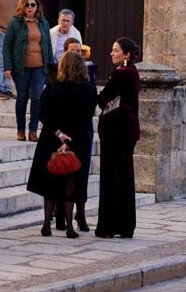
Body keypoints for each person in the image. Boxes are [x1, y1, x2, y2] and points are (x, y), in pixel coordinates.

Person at [26, 51, 96, 239]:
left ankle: (46, 224)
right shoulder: (87, 89)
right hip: (76, 140)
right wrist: (68, 139)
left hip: (52, 138)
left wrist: (59, 134)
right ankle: (70, 226)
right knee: (70, 184)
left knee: (51, 183)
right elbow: (87, 115)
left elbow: (43, 113)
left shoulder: (53, 87)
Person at [95, 37, 141, 239]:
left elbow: (103, 98)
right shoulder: (133, 72)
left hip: (117, 130)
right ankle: (125, 225)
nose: (112, 54)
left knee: (112, 177)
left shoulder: (121, 74)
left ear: (127, 54)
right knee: (124, 175)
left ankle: (109, 225)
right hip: (127, 128)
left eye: (116, 50)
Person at [54, 37, 98, 232]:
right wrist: (59, 133)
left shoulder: (88, 80)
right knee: (61, 174)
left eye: (79, 51)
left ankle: (80, 215)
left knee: (81, 175)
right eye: (72, 50)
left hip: (81, 133)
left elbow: (91, 106)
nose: (76, 54)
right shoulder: (56, 79)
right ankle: (61, 217)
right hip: (64, 133)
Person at [3, 0, 54, 142]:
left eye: (33, 5)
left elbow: (48, 45)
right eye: (27, 5)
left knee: (37, 98)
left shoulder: (43, 23)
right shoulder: (15, 23)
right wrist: (8, 66)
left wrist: (50, 65)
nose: (30, 7)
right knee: (22, 98)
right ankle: (20, 130)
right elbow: (7, 45)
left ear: (37, 7)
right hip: (21, 67)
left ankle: (33, 130)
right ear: (22, 7)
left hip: (39, 67)